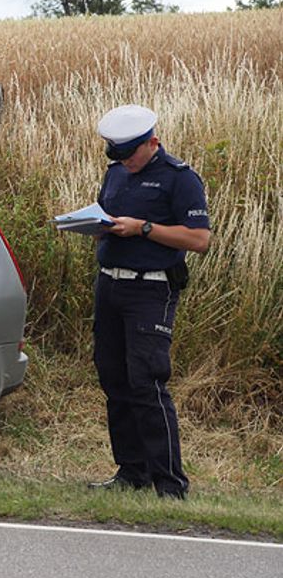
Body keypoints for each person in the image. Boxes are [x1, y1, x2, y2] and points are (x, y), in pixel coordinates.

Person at [88, 104, 211, 499]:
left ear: (152, 142)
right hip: (110, 285)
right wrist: (97, 228)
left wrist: (143, 228)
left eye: (130, 153)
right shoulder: (116, 174)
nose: (124, 161)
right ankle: (131, 471)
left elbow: (198, 239)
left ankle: (170, 485)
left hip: (150, 290)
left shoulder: (180, 179)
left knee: (147, 381)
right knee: (114, 377)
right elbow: (105, 216)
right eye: (117, 154)